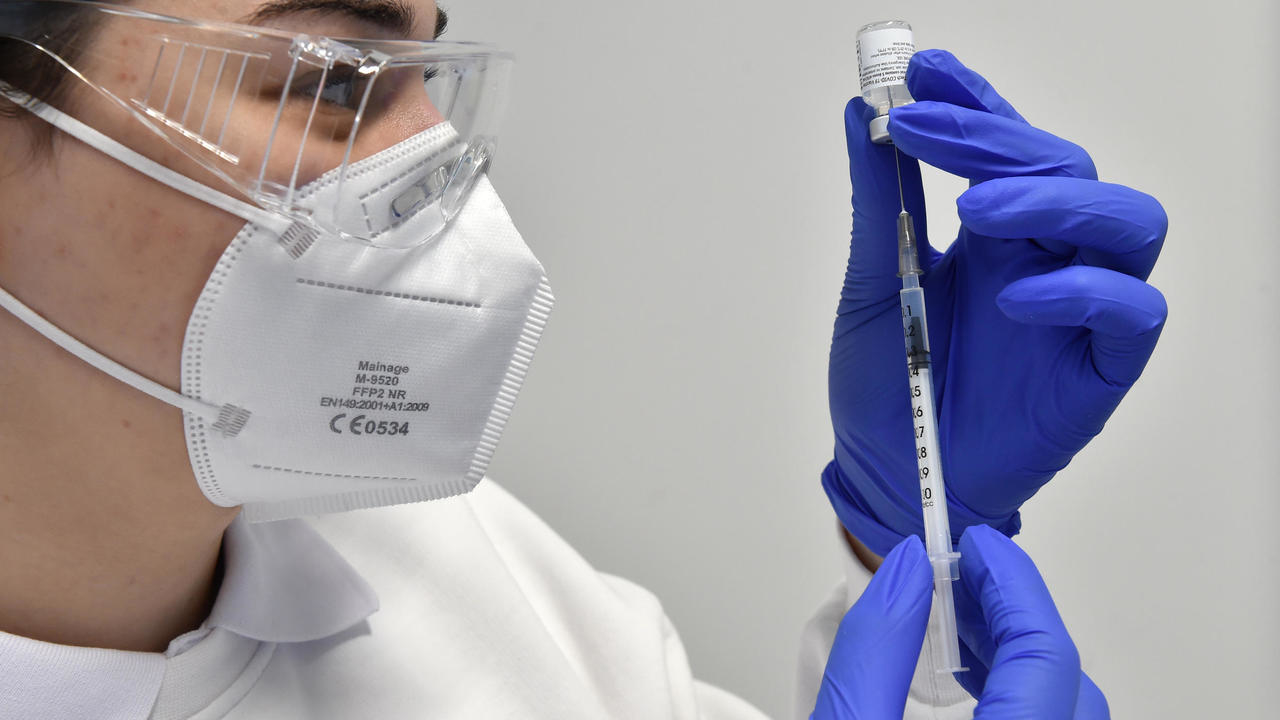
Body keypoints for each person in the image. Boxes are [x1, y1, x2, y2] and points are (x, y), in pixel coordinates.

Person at [0, 2, 1166, 719]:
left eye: (423, 75)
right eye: (329, 79)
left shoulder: (479, 582)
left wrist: (911, 531)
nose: (439, 167)